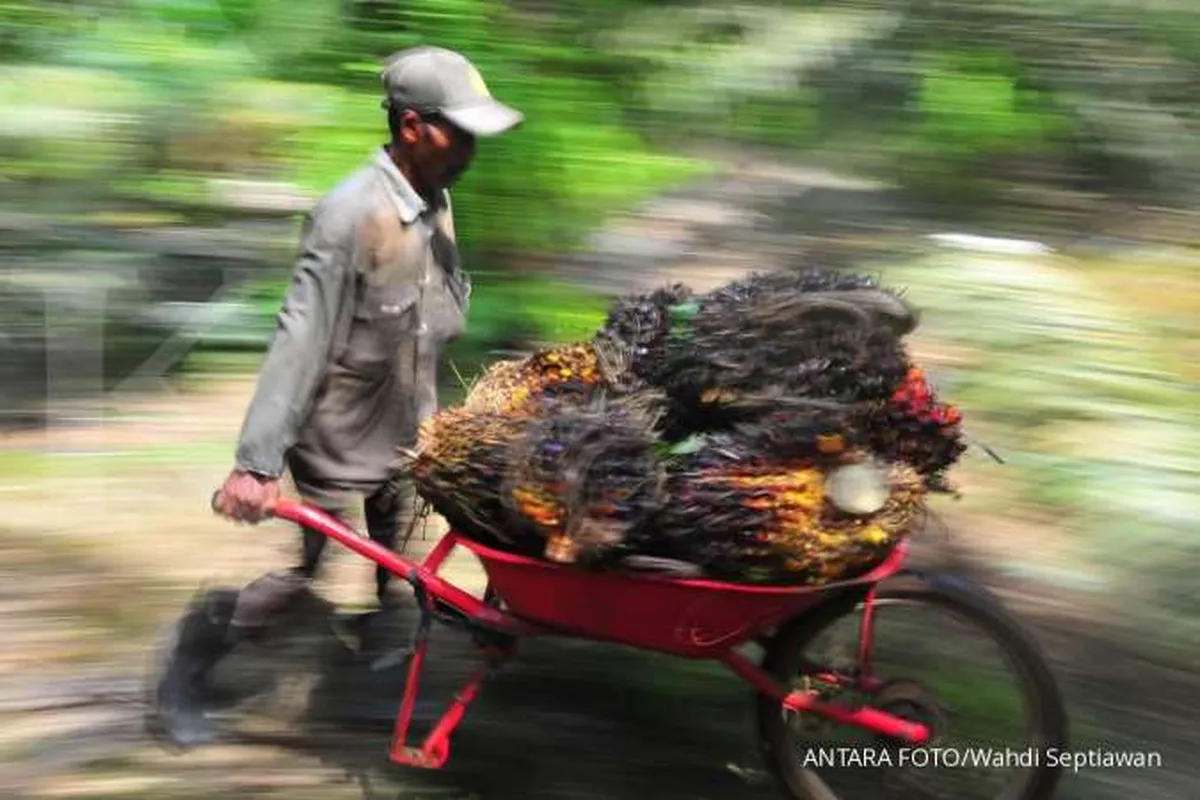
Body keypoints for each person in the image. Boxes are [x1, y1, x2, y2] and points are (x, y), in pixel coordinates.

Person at [154, 45, 522, 747]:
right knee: (305, 574)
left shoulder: (436, 200)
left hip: (407, 427)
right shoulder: (349, 214)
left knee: (403, 570)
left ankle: (373, 688)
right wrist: (256, 464)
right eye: (460, 129)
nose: (472, 145)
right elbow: (300, 338)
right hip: (337, 433)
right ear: (413, 127)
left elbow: (433, 310)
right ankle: (194, 659)